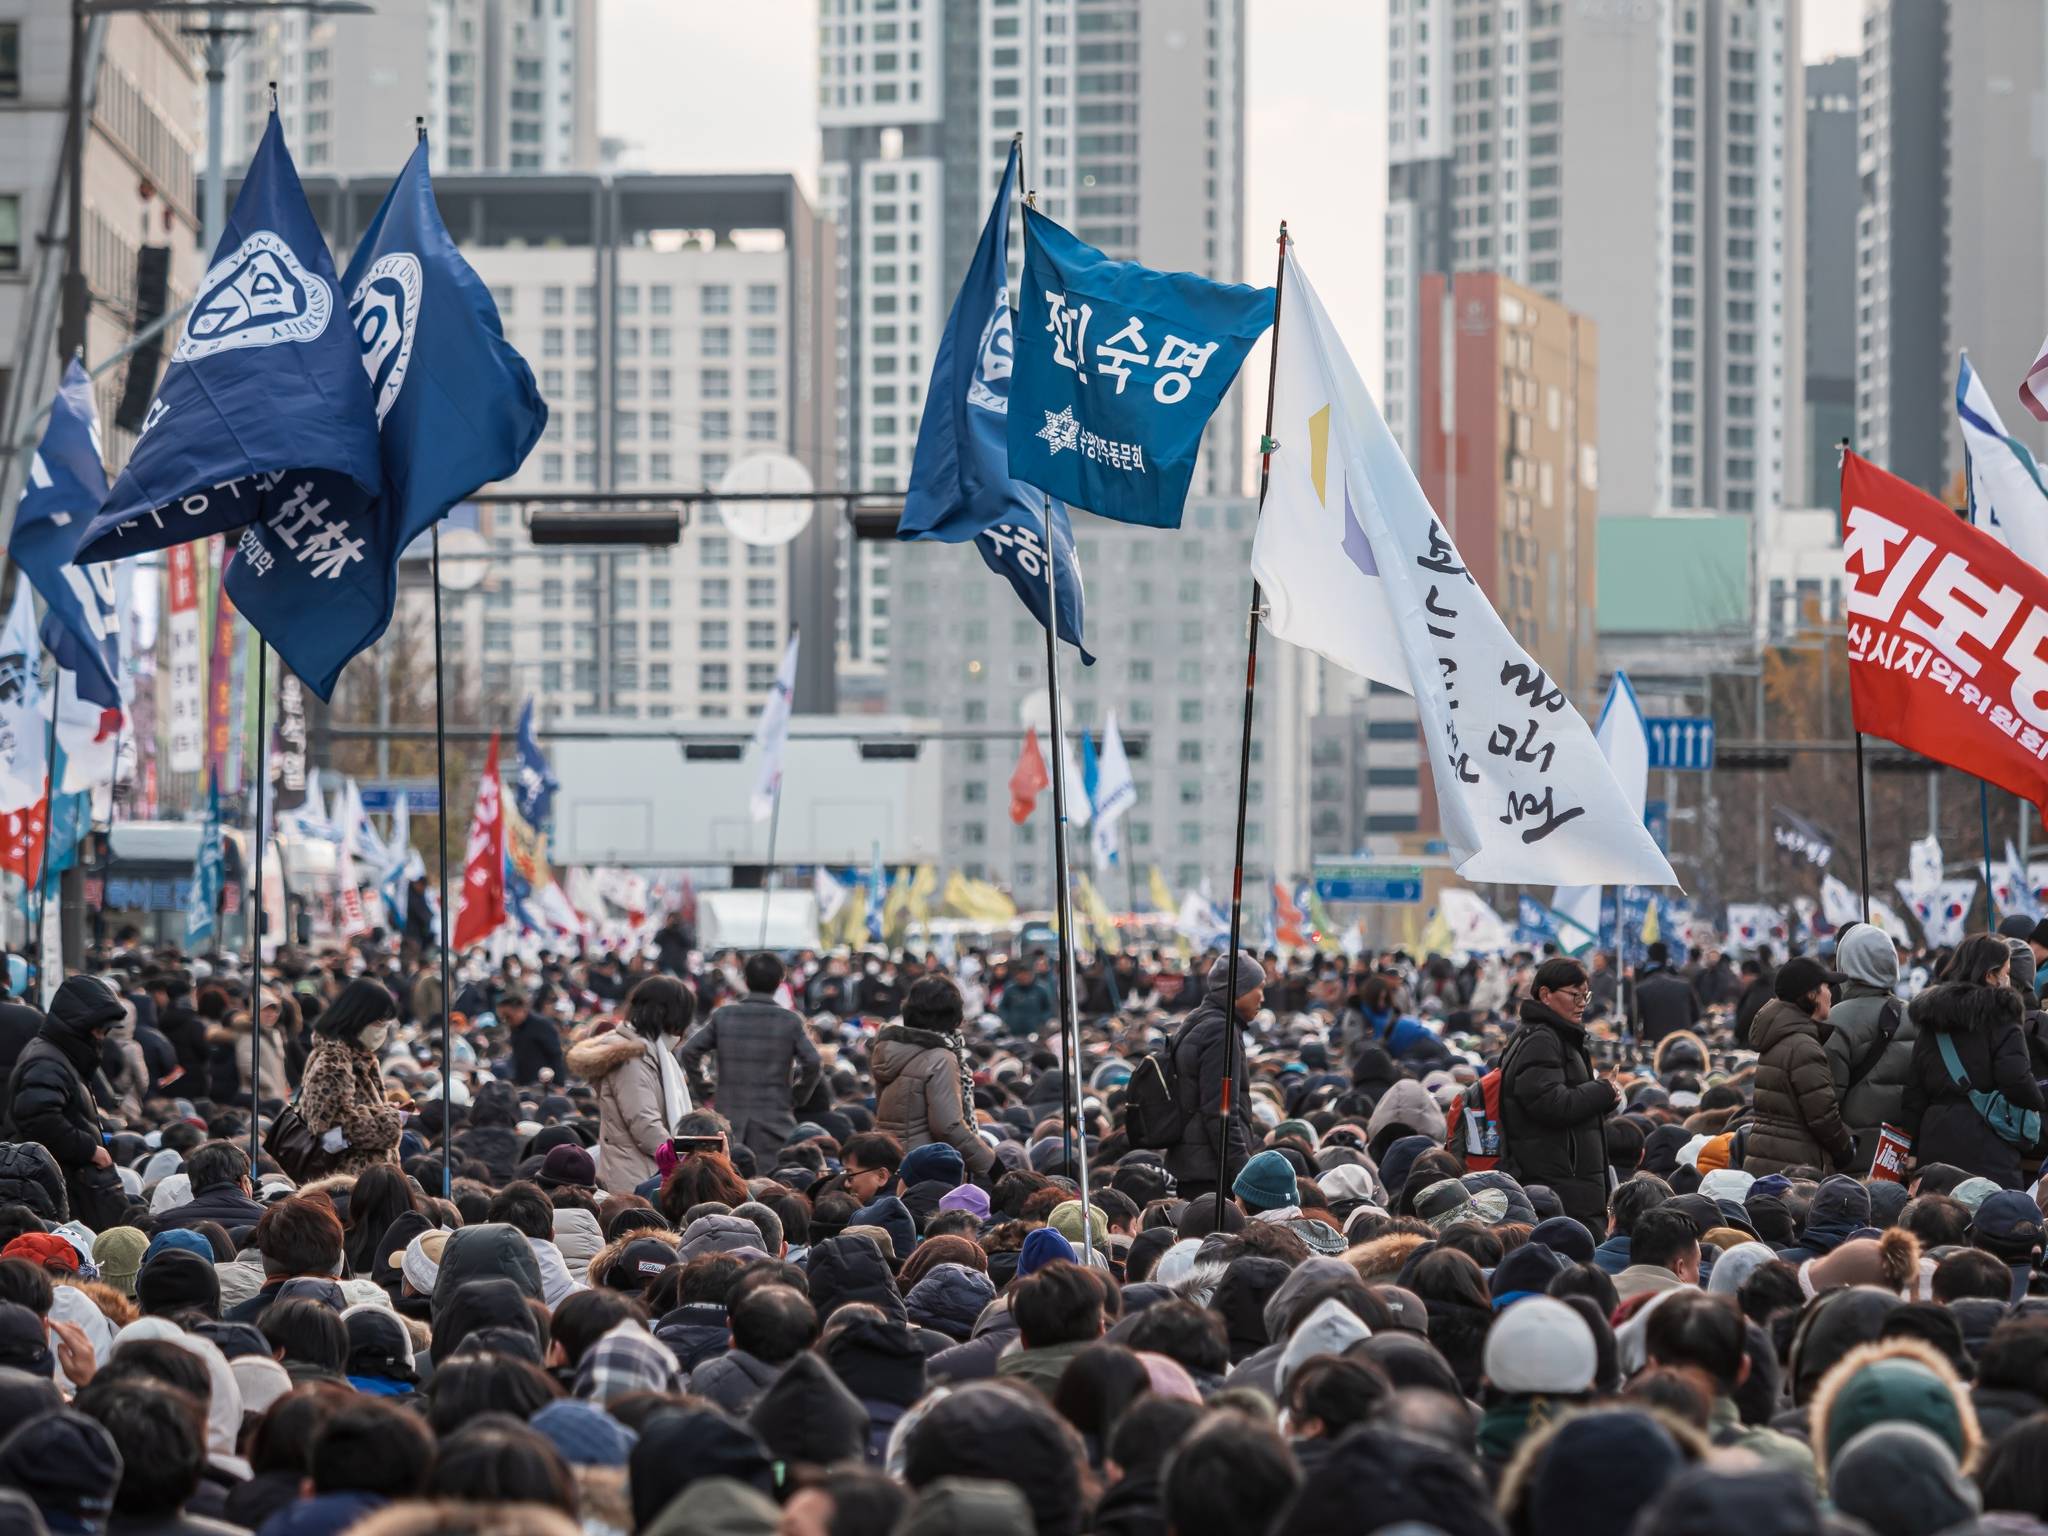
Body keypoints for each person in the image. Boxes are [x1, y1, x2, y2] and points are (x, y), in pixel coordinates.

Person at [1904, 933, 2046, 1189]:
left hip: (1935, 1142)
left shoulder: (1931, 1019)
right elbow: (2015, 1077)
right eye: (2006, 972)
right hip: (1989, 1144)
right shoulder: (2002, 1015)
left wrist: (1913, 1148)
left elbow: (1914, 1094)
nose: (2008, 980)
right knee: (1992, 1219)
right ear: (1990, 975)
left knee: (1939, 1220)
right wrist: (2038, 1102)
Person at [1498, 957, 1617, 1230]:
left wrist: (1603, 1101)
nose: (1582, 1003)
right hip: (1561, 1184)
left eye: (1585, 994)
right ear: (1545, 994)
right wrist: (1602, 1090)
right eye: (1574, 994)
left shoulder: (1554, 1035)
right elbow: (1549, 1103)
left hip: (1565, 1180)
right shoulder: (1543, 1039)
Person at [4, 975, 125, 1228]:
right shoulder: (47, 1061)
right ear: (80, 1024)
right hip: (58, 1187)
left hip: (62, 1184)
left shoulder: (58, 1056)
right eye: (99, 1029)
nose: (100, 1037)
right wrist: (90, 1150)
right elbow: (39, 1117)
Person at [678, 953, 822, 1168]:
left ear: (745, 979)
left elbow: (689, 1051)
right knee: (769, 1189)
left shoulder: (724, 1015)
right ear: (780, 982)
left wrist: (706, 1090)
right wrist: (795, 1097)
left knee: (726, 1187)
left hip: (727, 1119)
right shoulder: (789, 1020)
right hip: (775, 1122)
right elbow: (813, 1062)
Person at [565, 975, 696, 1195]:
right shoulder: (631, 1057)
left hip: (643, 1169)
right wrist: (682, 1162)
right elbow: (643, 1123)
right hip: (637, 1176)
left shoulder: (651, 1051)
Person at [872, 976, 995, 1182]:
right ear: (952, 1015)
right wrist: (992, 1165)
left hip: (893, 1163)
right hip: (927, 1168)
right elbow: (948, 1127)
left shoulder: (891, 1049)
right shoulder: (940, 1057)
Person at [1745, 956, 1857, 1177]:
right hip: (1797, 1168)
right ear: (1811, 994)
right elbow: (1823, 1116)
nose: (1831, 994)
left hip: (1768, 1158)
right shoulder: (1804, 1047)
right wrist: (1846, 1149)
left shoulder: (1782, 1036)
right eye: (1826, 986)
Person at [1163, 953, 1263, 1201]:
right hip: (1211, 1172)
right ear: (1238, 990)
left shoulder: (1200, 1020)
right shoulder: (1221, 1031)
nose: (1262, 997)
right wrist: (1243, 1169)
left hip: (1195, 1164)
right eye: (1258, 988)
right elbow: (1221, 1109)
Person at [1823, 923, 1915, 1172]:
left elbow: (1826, 1100)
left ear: (1846, 963)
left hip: (1853, 1156)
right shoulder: (1915, 1015)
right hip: (1904, 1156)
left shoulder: (1836, 1020)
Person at [299, 979, 406, 1179]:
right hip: (347, 1179)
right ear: (359, 1018)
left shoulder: (357, 1056)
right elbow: (327, 1125)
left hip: (364, 1178)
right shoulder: (335, 1060)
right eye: (378, 1022)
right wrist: (388, 1120)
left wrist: (385, 1112)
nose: (382, 1029)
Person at [1634, 942, 1701, 1044]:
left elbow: (1633, 1023)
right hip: (1683, 1043)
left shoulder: (1641, 989)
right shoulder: (1684, 985)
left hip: (1654, 1046)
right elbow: (1696, 1015)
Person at [502, 991, 565, 1087]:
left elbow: (555, 1054)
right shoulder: (516, 1028)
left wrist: (559, 1084)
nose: (506, 1020)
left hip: (544, 1084)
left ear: (519, 1010)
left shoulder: (541, 1025)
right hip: (524, 1083)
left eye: (508, 1017)